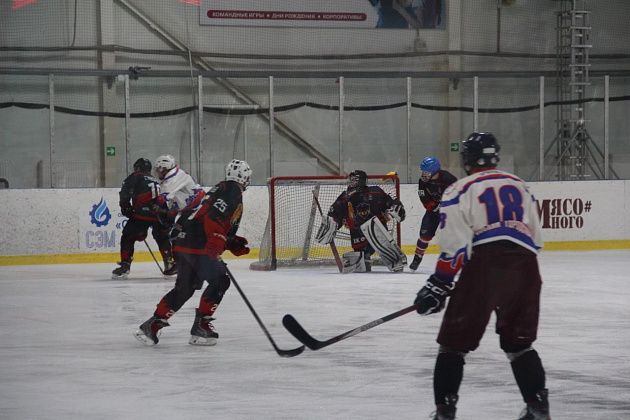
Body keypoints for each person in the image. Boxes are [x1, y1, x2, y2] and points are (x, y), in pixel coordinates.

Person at [413, 132, 549, 420]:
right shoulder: (520, 185)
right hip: (526, 268)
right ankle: (538, 409)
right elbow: (536, 239)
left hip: (485, 266)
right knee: (519, 344)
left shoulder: (459, 189)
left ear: (467, 160)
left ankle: (445, 412)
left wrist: (438, 284)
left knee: (453, 345)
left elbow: (455, 247)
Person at [134, 159, 252, 347]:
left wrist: (229, 241)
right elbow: (214, 218)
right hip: (198, 245)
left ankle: (152, 326)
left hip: (184, 242)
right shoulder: (232, 190)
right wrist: (217, 239)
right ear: (245, 178)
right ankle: (201, 326)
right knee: (220, 281)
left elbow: (208, 217)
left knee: (185, 288)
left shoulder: (221, 188)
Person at [316, 169, 406, 272]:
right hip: (357, 236)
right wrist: (331, 225)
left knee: (372, 225)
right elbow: (335, 213)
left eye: (355, 180)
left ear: (362, 181)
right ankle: (365, 257)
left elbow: (391, 201)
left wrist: (396, 208)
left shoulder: (375, 192)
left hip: (378, 232)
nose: (351, 182)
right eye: (351, 180)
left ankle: (392, 256)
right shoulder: (345, 197)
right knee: (361, 265)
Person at [112, 158, 175, 279]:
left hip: (142, 213)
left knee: (128, 237)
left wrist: (126, 208)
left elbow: (125, 192)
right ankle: (169, 263)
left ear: (137, 168)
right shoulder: (155, 180)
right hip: (159, 214)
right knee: (162, 237)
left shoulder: (136, 176)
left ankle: (125, 265)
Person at [409, 156, 457, 271]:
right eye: (423, 172)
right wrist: (434, 206)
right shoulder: (422, 181)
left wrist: (448, 205)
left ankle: (456, 259)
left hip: (450, 212)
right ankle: (417, 258)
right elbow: (423, 198)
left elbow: (459, 194)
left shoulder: (448, 178)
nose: (423, 174)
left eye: (426, 172)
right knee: (424, 235)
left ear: (434, 171)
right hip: (433, 212)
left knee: (455, 236)